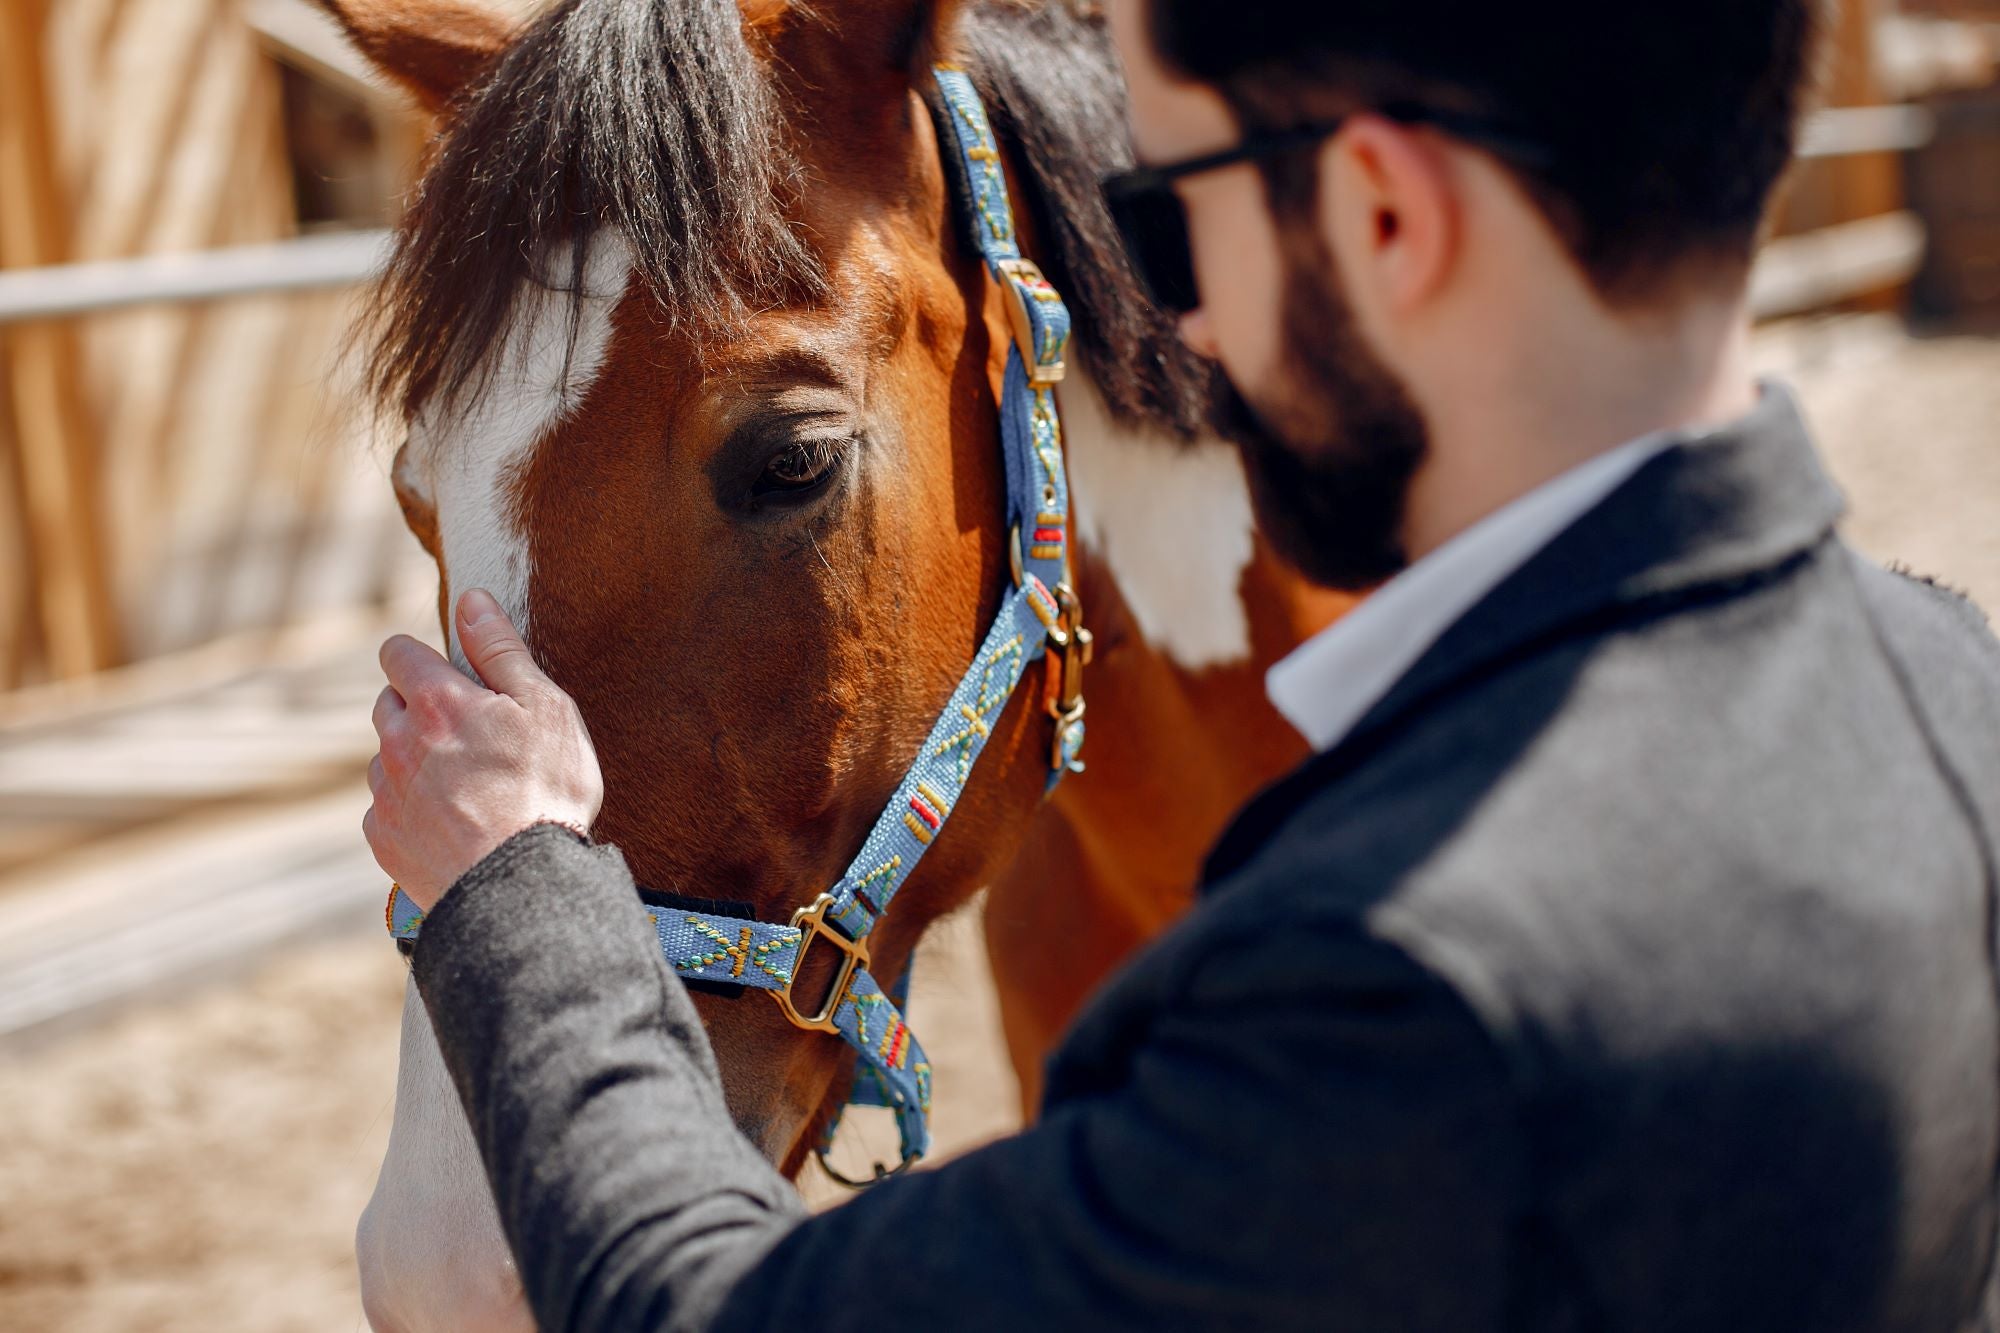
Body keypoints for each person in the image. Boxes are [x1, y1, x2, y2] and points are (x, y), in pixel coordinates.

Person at [362, 0, 2000, 1328]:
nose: (1166, 329)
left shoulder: (1385, 993)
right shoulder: (1946, 681)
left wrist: (525, 889)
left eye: (1157, 220)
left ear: (1379, 215)